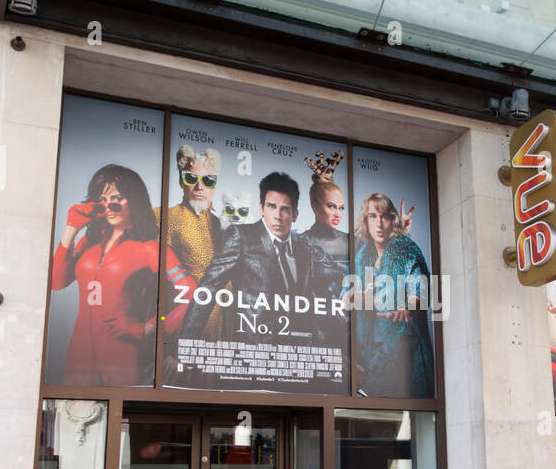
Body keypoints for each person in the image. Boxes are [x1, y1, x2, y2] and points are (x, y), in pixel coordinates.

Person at [51, 164, 195, 386]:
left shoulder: (150, 248)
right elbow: (57, 282)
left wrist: (147, 327)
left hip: (123, 354)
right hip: (78, 354)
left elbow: (191, 295)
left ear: (134, 201)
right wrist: (71, 230)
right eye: (102, 200)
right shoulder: (87, 242)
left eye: (116, 199)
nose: (109, 207)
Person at [180, 170, 345, 342]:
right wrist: (184, 345)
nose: (277, 216)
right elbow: (208, 289)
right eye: (271, 206)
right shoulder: (241, 236)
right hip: (252, 351)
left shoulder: (303, 246)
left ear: (295, 214)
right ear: (261, 208)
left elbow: (314, 305)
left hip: (296, 354)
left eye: (285, 209)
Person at [351, 192, 434, 398]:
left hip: (400, 356)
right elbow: (347, 293)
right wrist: (357, 296)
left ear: (392, 220)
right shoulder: (363, 255)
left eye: (385, 216)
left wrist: (406, 308)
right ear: (365, 220)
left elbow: (420, 289)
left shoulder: (405, 249)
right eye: (373, 216)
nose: (379, 223)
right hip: (368, 351)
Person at [156, 147, 222, 282]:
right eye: (191, 178)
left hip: (225, 301)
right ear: (181, 182)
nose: (199, 187)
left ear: (214, 186)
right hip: (187, 300)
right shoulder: (165, 216)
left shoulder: (220, 224)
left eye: (208, 180)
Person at [300, 150, 349, 264]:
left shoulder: (354, 242)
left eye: (341, 208)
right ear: (315, 205)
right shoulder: (298, 242)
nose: (338, 214)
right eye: (332, 206)